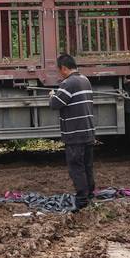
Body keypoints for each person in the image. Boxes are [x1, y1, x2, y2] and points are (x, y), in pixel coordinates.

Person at [48, 53, 96, 211]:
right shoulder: (84, 80)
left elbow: (56, 104)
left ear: (63, 68)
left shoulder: (68, 83)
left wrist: (52, 95)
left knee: (76, 167)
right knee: (87, 165)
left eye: (58, 70)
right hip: (88, 132)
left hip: (75, 134)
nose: (59, 73)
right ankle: (90, 195)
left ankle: (81, 201)